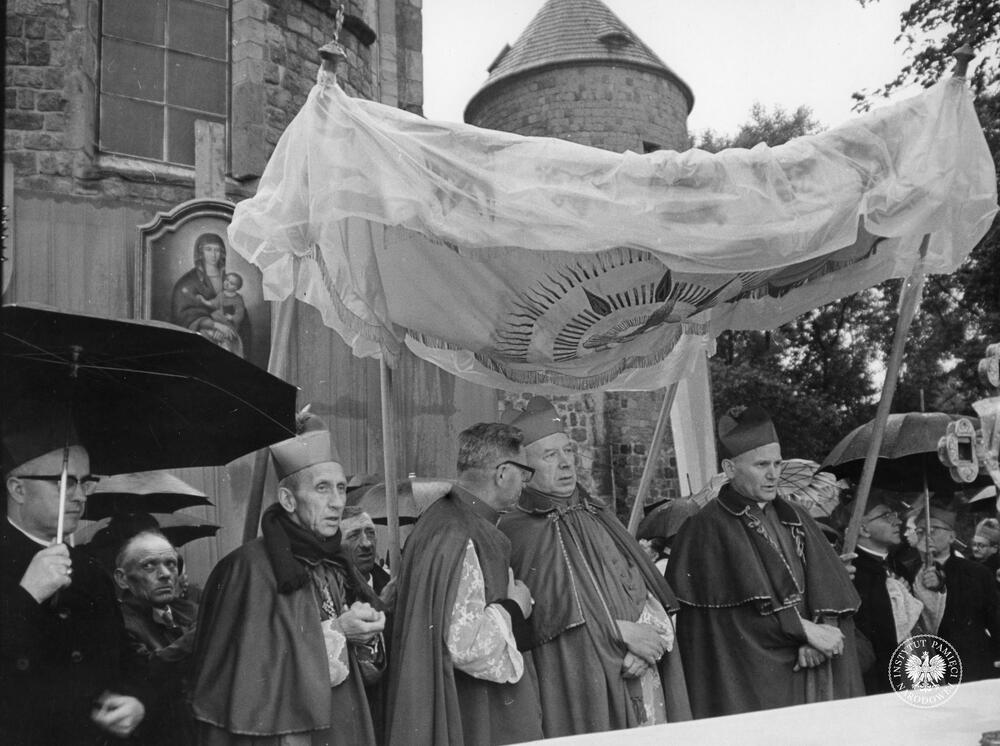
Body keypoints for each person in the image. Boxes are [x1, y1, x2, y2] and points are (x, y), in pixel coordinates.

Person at [497, 397, 691, 738]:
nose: (565, 463)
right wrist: (616, 635)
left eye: (568, 451)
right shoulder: (515, 531)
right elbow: (543, 623)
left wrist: (650, 637)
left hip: (640, 667)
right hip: (585, 682)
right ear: (524, 469)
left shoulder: (597, 513)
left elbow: (641, 585)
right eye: (550, 455)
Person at [191, 411, 386, 745]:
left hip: (340, 723)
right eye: (322, 488)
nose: (337, 503)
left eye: (341, 488)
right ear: (288, 499)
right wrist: (340, 631)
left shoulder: (335, 561)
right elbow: (250, 680)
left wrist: (367, 633)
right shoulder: (247, 569)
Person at [667, 404, 863, 718]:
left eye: (777, 463)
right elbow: (727, 620)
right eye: (761, 465)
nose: (774, 474)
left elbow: (827, 590)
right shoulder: (706, 526)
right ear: (730, 468)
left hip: (812, 665)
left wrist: (821, 631)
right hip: (756, 678)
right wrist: (803, 632)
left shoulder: (795, 515)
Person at [385, 423, 543, 746]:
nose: (525, 484)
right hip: (469, 709)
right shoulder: (459, 532)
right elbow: (464, 644)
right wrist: (515, 608)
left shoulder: (442, 519)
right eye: (524, 473)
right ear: (502, 473)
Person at [1, 414, 146, 744]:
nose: (81, 496)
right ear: (18, 489)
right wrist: (27, 596)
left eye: (86, 483)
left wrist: (136, 699)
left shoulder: (90, 569)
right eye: (65, 482)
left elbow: (126, 655)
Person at [114, 529, 198, 746]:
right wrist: (200, 634)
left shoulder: (189, 612)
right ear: (122, 579)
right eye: (149, 566)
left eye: (171, 564)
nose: (165, 574)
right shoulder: (117, 622)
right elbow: (146, 671)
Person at [912, 506, 1000, 681]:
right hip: (928, 662)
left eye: (933, 530)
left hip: (973, 662)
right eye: (920, 531)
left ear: (951, 536)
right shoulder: (909, 571)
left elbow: (995, 617)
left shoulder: (976, 572)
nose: (926, 536)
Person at [850, 491, 923, 694]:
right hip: (878, 680)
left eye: (894, 514)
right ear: (863, 529)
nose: (897, 521)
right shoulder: (853, 571)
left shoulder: (898, 567)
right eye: (886, 516)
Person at [171, 233, 249, 357]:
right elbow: (184, 314)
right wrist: (215, 326)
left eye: (217, 250)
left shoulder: (228, 281)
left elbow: (237, 311)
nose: (213, 255)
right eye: (208, 249)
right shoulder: (187, 282)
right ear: (200, 252)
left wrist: (227, 327)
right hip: (200, 337)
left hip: (228, 333)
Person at [340, 506, 391, 596]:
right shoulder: (326, 593)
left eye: (370, 533)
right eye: (354, 536)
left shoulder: (394, 588)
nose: (367, 544)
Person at [971, 517, 1000, 590]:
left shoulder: (997, 572)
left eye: (981, 545)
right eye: (974, 544)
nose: (975, 549)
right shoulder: (966, 565)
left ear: (994, 548)